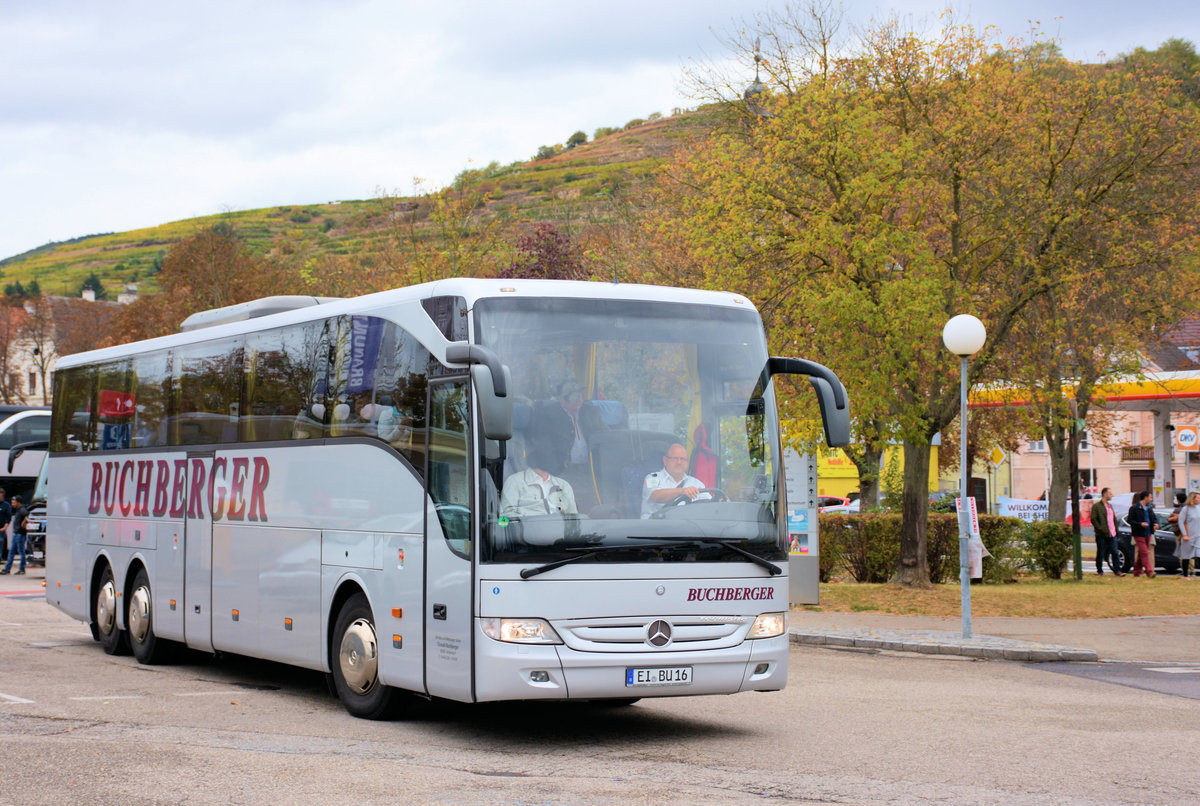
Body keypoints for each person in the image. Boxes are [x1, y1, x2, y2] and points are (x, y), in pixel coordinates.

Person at [499, 447, 577, 517]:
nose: (564, 465)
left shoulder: (563, 485)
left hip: (561, 532)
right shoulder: (514, 481)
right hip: (529, 531)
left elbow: (574, 519)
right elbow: (506, 516)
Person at [642, 443, 711, 518]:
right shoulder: (653, 477)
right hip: (655, 527)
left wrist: (720, 501)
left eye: (682, 459)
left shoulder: (696, 483)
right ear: (665, 460)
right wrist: (682, 491)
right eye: (675, 458)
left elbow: (709, 503)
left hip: (686, 527)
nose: (679, 462)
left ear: (687, 462)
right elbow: (655, 496)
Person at [1089, 488, 1124, 576]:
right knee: (1101, 552)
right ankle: (1099, 570)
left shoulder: (1110, 506)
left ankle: (1117, 570)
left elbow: (1113, 519)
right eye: (1110, 494)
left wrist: (1116, 530)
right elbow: (1093, 519)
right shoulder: (1097, 506)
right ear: (1105, 495)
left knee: (1115, 552)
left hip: (1112, 534)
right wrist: (1100, 528)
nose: (1112, 495)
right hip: (1101, 534)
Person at [1127, 491, 1156, 578]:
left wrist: (1155, 524)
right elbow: (1130, 520)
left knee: (1141, 554)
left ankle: (1136, 571)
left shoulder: (1149, 508)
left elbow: (1154, 518)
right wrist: (1140, 524)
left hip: (1148, 533)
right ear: (1145, 497)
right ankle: (1149, 572)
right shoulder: (1135, 508)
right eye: (1150, 497)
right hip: (1138, 533)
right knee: (1144, 552)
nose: (1151, 499)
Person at [0, 495, 27, 576]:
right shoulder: (18, 510)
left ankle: (22, 569)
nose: (12, 504)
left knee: (21, 551)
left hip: (20, 534)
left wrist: (24, 522)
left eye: (14, 503)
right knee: (11, 552)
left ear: (18, 503)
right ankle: (7, 569)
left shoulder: (22, 509)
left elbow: (27, 515)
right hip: (16, 534)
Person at [1176, 492, 1200, 578]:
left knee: (1198, 554)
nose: (1199, 499)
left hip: (1198, 535)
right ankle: (1185, 574)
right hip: (1188, 536)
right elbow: (1181, 522)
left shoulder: (1198, 509)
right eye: (1197, 498)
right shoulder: (1186, 509)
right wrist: (1184, 534)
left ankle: (1195, 573)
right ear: (1192, 499)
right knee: (1186, 555)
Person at [0, 488, 10, 565]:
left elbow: (8, 518)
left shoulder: (6, 505)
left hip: (1, 529)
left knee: (0, 546)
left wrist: (5, 528)